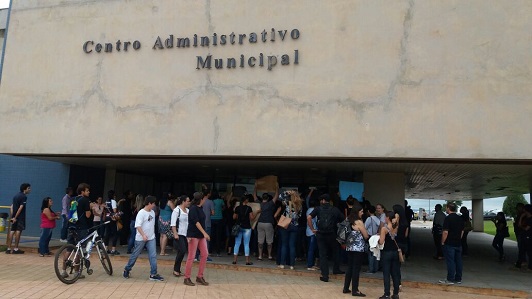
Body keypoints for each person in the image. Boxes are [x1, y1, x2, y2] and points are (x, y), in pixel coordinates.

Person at [123, 195, 164, 281]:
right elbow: (137, 225)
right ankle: (127, 269)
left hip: (151, 237)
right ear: (149, 203)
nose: (154, 205)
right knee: (135, 255)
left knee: (153, 255)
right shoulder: (141, 213)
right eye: (153, 204)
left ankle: (153, 273)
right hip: (141, 238)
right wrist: (143, 235)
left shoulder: (152, 212)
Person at [307, 193, 345, 282]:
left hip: (321, 234)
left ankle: (325, 275)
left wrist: (313, 229)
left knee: (323, 254)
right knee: (336, 252)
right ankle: (336, 269)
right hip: (332, 234)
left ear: (323, 200)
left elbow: (309, 218)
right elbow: (343, 219)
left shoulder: (318, 209)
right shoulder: (335, 209)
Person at [60, 182, 93, 279]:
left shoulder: (73, 199)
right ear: (82, 191)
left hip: (72, 226)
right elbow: (88, 215)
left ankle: (63, 271)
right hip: (81, 227)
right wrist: (90, 208)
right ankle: (76, 272)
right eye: (87, 190)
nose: (89, 192)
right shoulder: (85, 200)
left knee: (69, 249)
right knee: (78, 250)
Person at [183, 192, 210, 286]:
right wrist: (205, 233)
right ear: (201, 199)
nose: (205, 200)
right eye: (204, 199)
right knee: (191, 256)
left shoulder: (199, 208)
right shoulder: (193, 208)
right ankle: (186, 277)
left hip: (200, 235)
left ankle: (200, 276)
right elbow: (196, 222)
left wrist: (203, 234)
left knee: (205, 254)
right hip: (194, 235)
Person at [343, 205, 369, 297]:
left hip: (349, 247)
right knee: (356, 269)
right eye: (361, 211)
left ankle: (346, 288)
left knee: (349, 267)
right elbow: (365, 235)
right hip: (358, 248)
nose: (362, 213)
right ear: (357, 212)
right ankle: (355, 290)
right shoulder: (359, 222)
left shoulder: (348, 220)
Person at [438, 202, 464, 285]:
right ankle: (458, 278)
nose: (446, 209)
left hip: (449, 243)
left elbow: (445, 232)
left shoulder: (448, 218)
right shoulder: (460, 218)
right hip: (458, 243)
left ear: (448, 208)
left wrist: (442, 241)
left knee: (450, 261)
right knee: (458, 261)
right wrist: (459, 238)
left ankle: (450, 279)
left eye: (446, 207)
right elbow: (462, 231)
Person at [378, 211, 401, 299]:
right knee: (395, 273)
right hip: (395, 252)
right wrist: (396, 218)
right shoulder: (396, 227)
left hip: (386, 252)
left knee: (386, 273)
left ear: (387, 218)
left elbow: (381, 242)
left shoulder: (384, 228)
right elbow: (397, 216)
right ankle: (395, 293)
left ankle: (387, 293)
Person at [254, 181, 279, 261]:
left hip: (260, 223)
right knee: (269, 241)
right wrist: (277, 187)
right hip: (268, 224)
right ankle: (269, 256)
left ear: (262, 198)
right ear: (268, 198)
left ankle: (260, 256)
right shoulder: (270, 204)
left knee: (260, 241)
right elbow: (276, 196)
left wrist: (255, 187)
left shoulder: (259, 203)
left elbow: (254, 195)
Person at [278, 190, 302, 270]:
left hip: (286, 224)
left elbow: (280, 196)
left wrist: (287, 192)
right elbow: (300, 216)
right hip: (295, 225)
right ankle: (292, 265)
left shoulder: (287, 203)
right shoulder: (299, 205)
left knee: (284, 245)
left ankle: (282, 264)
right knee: (292, 246)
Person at [233, 194, 260, 265]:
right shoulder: (249, 208)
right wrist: (257, 213)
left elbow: (234, 217)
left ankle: (234, 260)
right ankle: (247, 261)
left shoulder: (237, 208)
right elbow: (252, 218)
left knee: (237, 243)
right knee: (246, 244)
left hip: (239, 227)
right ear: (246, 200)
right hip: (247, 228)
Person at [6, 183, 31, 254]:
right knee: (18, 231)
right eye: (28, 188)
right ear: (25, 189)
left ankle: (8, 248)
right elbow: (20, 208)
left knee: (12, 231)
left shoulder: (15, 196)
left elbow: (11, 206)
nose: (30, 190)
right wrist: (16, 217)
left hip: (14, 217)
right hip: (20, 217)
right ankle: (16, 248)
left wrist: (12, 216)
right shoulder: (24, 197)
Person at [171, 195, 190, 277]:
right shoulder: (176, 210)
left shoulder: (188, 211)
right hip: (179, 234)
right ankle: (176, 269)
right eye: (187, 201)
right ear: (183, 201)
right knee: (182, 250)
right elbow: (173, 223)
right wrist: (175, 233)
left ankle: (177, 269)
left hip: (186, 234)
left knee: (181, 252)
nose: (189, 202)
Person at [104, 190, 121, 255]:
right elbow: (114, 210)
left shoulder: (106, 201)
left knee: (107, 233)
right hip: (112, 218)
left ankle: (106, 248)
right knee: (115, 233)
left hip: (107, 217)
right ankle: (113, 249)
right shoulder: (113, 201)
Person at [365, 205, 380, 273]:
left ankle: (371, 269)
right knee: (376, 253)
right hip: (376, 237)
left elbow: (365, 227)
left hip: (370, 237)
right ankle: (376, 268)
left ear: (368, 211)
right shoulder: (377, 219)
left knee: (370, 254)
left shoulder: (369, 219)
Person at [210, 190, 225, 257]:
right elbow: (224, 207)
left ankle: (210, 250)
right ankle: (218, 251)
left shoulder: (211, 201)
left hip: (212, 219)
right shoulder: (220, 200)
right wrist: (220, 210)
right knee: (218, 235)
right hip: (219, 219)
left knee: (211, 235)